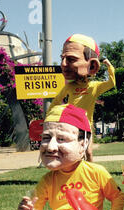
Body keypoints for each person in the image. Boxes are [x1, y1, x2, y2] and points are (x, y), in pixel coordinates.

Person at [48, 33, 116, 162]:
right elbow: (56, 102)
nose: (63, 64)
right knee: (73, 153)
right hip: (71, 124)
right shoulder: (69, 87)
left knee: (88, 152)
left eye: (71, 59)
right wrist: (48, 118)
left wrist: (109, 67)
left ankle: (91, 173)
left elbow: (111, 83)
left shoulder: (94, 86)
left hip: (86, 125)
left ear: (92, 65)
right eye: (62, 58)